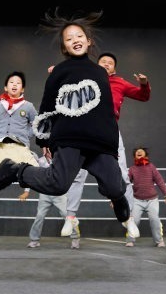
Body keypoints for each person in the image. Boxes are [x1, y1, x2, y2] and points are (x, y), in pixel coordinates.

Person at [0, 9, 139, 239]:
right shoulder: (59, 71)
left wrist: (112, 145)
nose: (75, 40)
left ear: (88, 41)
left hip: (98, 141)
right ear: (64, 47)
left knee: (115, 185)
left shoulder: (100, 72)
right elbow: (47, 106)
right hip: (70, 137)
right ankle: (14, 170)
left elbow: (106, 110)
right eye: (69, 38)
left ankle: (118, 199)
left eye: (79, 36)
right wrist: (44, 140)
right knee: (58, 185)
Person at [60, 52, 151, 238]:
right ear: (97, 65)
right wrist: (58, 73)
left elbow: (143, 96)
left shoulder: (120, 82)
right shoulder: (86, 78)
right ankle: (70, 217)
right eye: (103, 62)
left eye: (110, 63)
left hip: (109, 130)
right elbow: (65, 88)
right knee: (78, 174)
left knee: (122, 173)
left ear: (114, 68)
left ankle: (129, 218)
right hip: (85, 129)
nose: (107, 64)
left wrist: (144, 84)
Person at [26, 155, 81, 249]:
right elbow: (32, 174)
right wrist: (26, 191)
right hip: (45, 193)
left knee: (67, 215)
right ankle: (34, 240)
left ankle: (75, 238)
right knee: (39, 216)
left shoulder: (62, 159)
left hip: (59, 194)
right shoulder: (41, 161)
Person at [126, 147, 166, 247]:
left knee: (155, 220)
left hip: (152, 200)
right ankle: (130, 240)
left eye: (141, 151)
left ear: (145, 155)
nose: (139, 152)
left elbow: (159, 181)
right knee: (134, 220)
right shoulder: (132, 169)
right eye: (137, 151)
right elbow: (126, 184)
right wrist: (116, 198)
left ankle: (159, 241)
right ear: (134, 156)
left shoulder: (151, 167)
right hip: (137, 200)